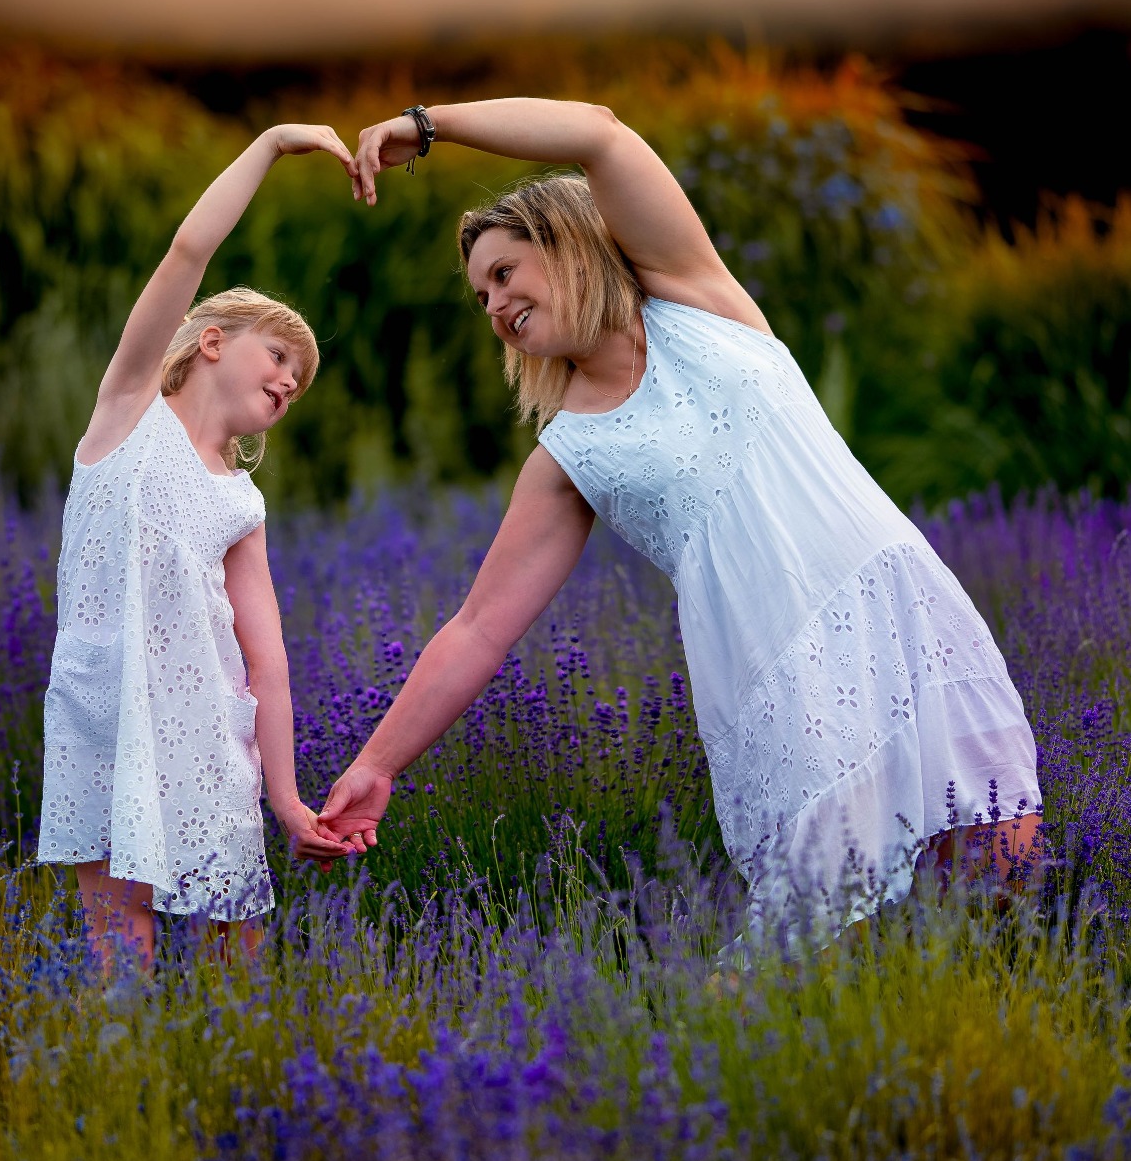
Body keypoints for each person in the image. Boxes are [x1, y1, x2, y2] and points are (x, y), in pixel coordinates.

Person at [318, 98, 1043, 937]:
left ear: (565, 243)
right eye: (480, 294)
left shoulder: (699, 303)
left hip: (895, 603)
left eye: (504, 272)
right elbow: (478, 628)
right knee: (821, 927)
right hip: (777, 672)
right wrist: (377, 764)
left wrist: (429, 125)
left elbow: (599, 133)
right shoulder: (569, 456)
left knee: (999, 866)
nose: (492, 304)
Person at [37, 124, 354, 969]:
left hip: (211, 729)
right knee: (119, 938)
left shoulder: (239, 499)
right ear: (212, 342)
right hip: (101, 707)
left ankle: (228, 1087)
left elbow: (269, 660)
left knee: (233, 942)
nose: (291, 380)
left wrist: (286, 799)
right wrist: (271, 144)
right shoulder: (127, 411)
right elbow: (188, 247)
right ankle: (123, 1079)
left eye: (301, 382)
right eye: (281, 356)